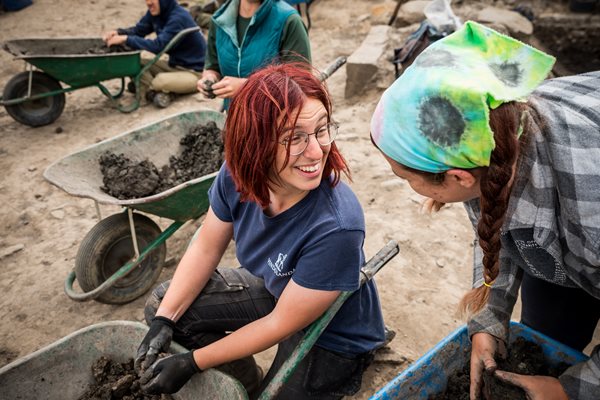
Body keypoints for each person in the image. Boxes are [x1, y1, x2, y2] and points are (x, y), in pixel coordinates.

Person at [369, 21, 600, 400]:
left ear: (458, 178)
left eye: (404, 176)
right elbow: (495, 223)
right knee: (549, 335)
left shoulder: (590, 213)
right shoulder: (489, 140)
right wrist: (489, 320)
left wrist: (572, 388)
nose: (407, 186)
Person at [135, 62, 386, 399]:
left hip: (332, 332)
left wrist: (192, 362)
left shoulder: (337, 225)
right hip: (278, 289)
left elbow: (280, 323)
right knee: (165, 305)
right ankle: (241, 383)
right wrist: (165, 319)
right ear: (256, 141)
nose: (316, 151)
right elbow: (206, 246)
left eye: (322, 130)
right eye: (293, 137)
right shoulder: (236, 175)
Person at [196, 0, 311, 110]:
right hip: (234, 117)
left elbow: (300, 85)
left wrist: (247, 87)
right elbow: (212, 66)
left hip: (275, 120)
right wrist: (210, 78)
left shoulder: (289, 21)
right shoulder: (220, 20)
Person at [103, 0, 207, 108]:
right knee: (135, 63)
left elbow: (158, 46)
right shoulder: (157, 12)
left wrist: (126, 39)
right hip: (175, 65)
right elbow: (139, 30)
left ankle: (151, 90)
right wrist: (119, 33)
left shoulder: (178, 18)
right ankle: (152, 93)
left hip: (195, 72)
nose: (148, 3)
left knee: (160, 80)